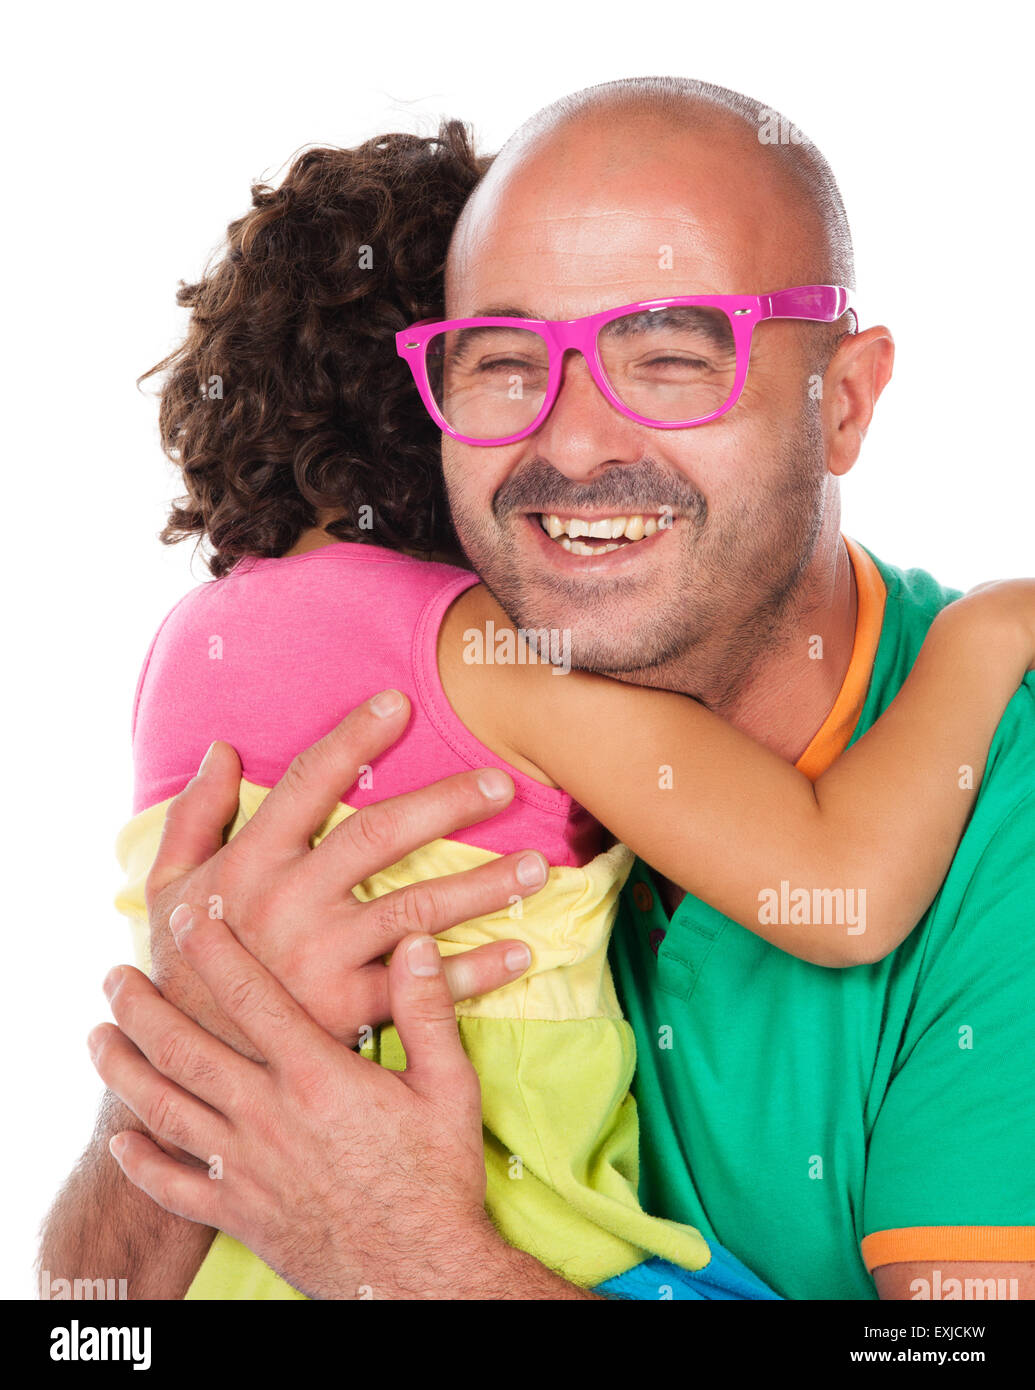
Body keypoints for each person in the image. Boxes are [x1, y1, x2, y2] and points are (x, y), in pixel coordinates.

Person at [42, 77, 1035, 1302]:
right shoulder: (460, 723)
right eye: (505, 365)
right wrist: (201, 1046)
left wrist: (408, 1255)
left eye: (672, 357)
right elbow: (84, 1326)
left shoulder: (999, 798)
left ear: (844, 401)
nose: (569, 445)